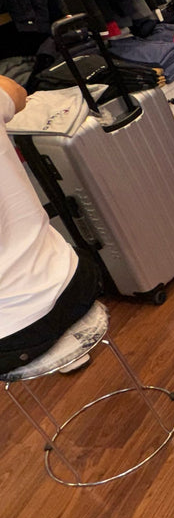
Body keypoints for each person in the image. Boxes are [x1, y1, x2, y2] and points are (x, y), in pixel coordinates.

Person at [0, 76, 100, 374]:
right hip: (73, 283)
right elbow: (17, 93)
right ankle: (62, 342)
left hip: (11, 337)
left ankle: (50, 342)